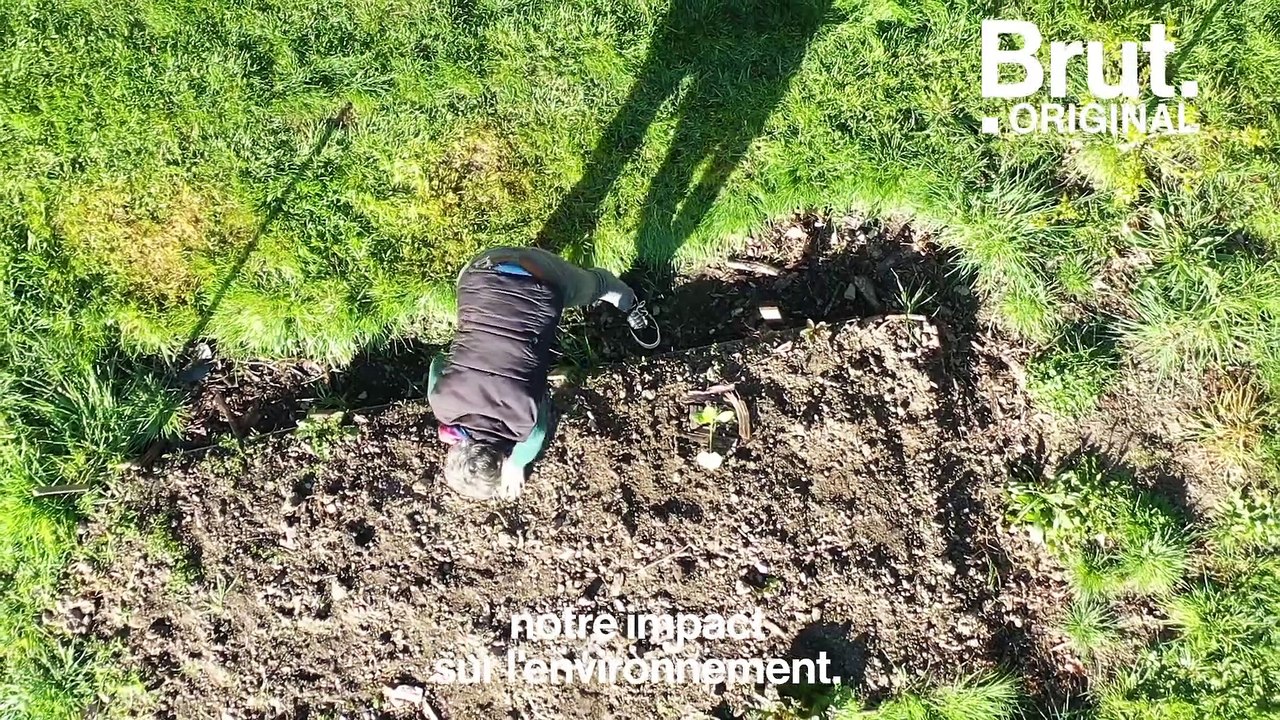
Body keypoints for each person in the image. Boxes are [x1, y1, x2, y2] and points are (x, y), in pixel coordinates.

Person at [428, 246, 659, 500]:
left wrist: (518, 464)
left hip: (540, 279)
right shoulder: (442, 403)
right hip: (481, 270)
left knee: (593, 286)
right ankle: (512, 262)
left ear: (501, 458)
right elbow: (438, 362)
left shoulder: (523, 420)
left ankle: (625, 298)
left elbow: (535, 436)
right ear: (456, 445)